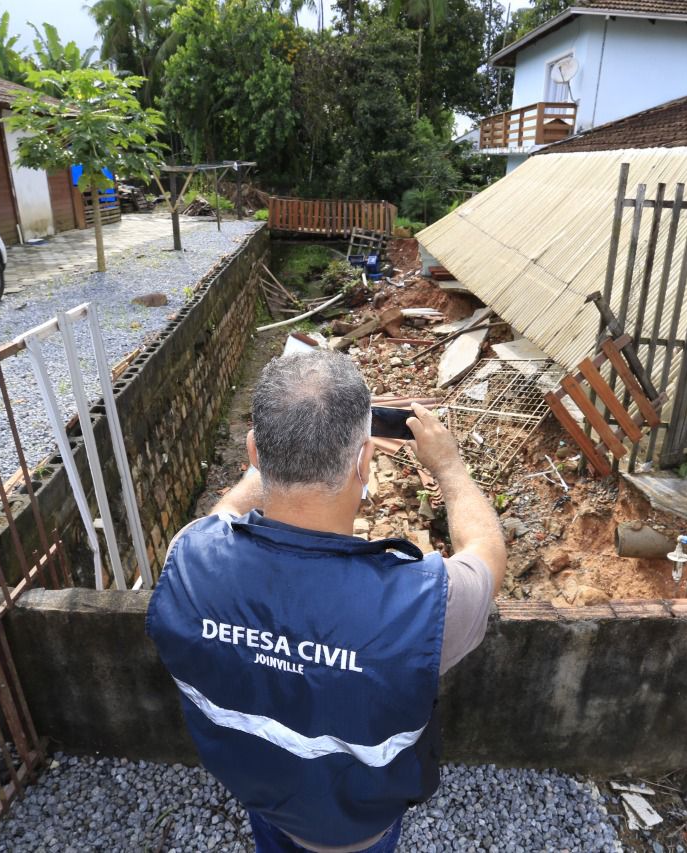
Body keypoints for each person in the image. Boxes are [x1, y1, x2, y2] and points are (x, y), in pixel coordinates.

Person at [147, 350, 507, 853]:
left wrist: (272, 467)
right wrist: (449, 467)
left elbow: (223, 514)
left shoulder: (187, 561)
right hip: (360, 831)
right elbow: (487, 553)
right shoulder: (427, 606)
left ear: (252, 451)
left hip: (262, 797)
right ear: (364, 462)